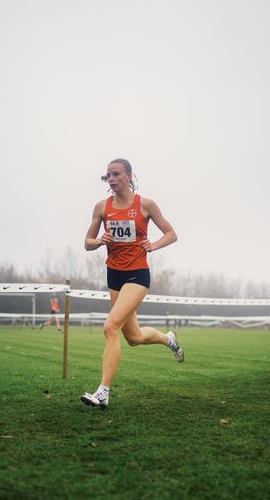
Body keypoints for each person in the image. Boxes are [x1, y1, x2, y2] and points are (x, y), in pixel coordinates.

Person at [80, 158, 184, 408]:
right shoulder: (102, 208)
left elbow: (172, 234)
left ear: (128, 176)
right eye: (108, 176)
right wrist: (100, 240)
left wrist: (154, 245)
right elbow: (87, 242)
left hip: (137, 275)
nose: (111, 179)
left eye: (116, 174)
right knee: (134, 337)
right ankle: (168, 339)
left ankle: (103, 392)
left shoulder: (146, 205)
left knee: (109, 327)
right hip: (114, 275)